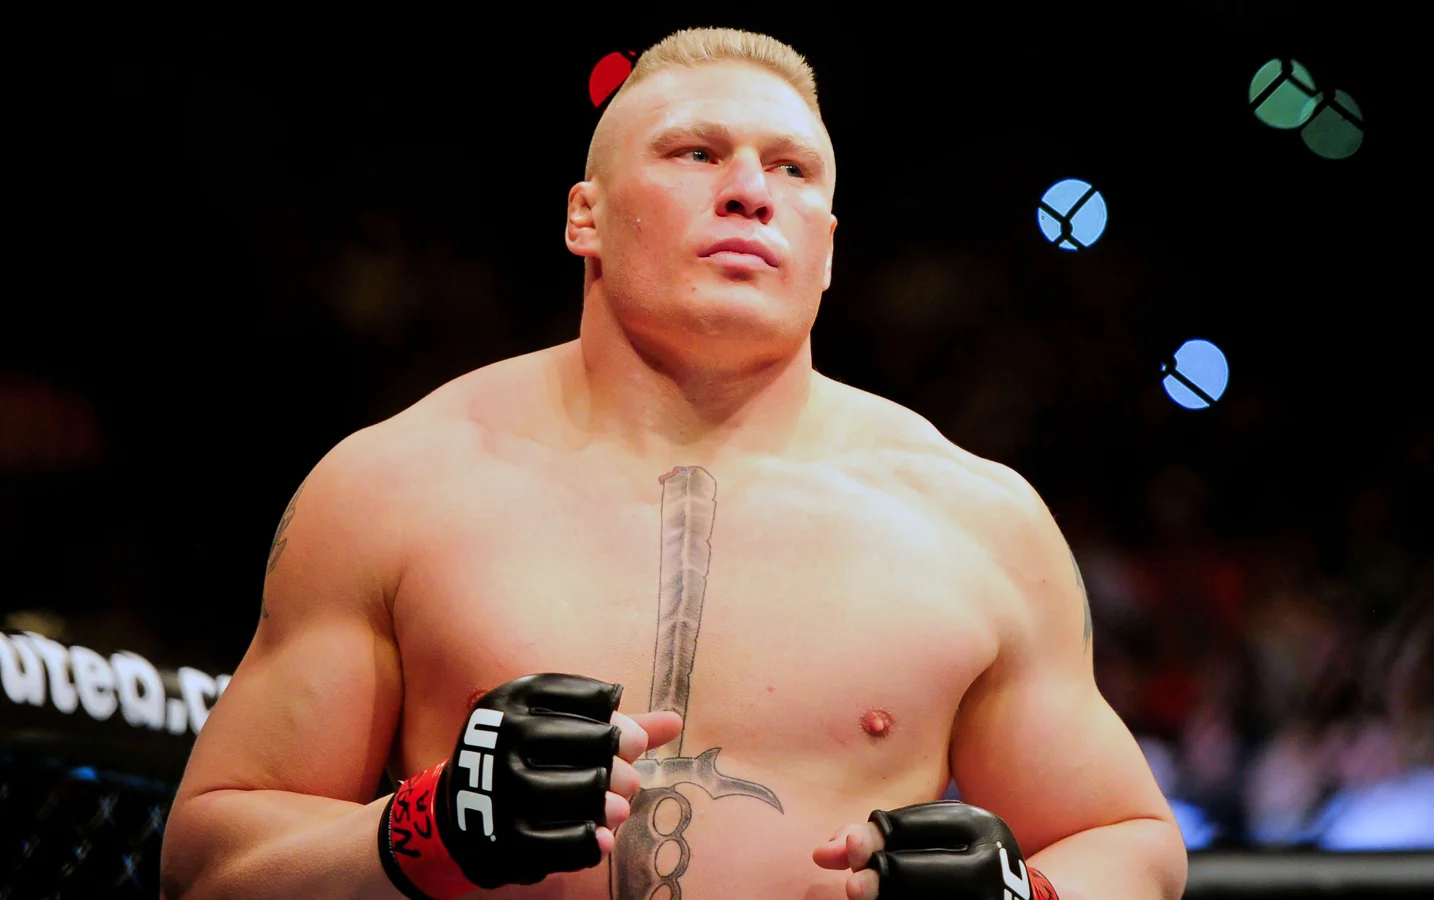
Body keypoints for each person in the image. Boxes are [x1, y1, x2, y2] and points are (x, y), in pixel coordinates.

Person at [159, 26, 1188, 900]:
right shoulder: (395, 486)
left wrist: (1025, 895)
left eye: (792, 170)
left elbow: (1132, 847)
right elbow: (205, 869)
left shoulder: (976, 523)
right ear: (586, 216)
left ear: (828, 248)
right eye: (696, 153)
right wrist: (426, 828)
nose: (750, 192)